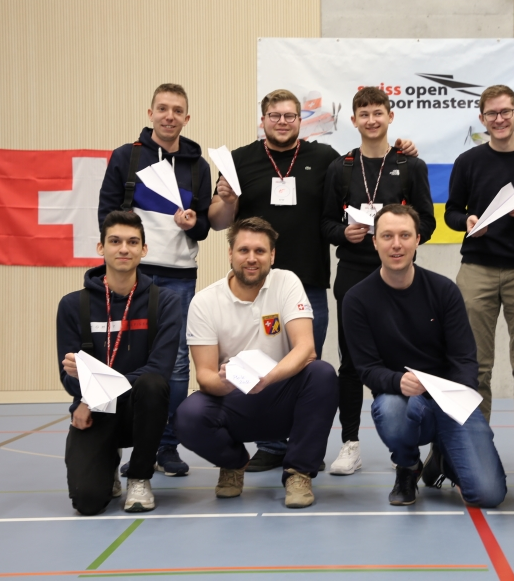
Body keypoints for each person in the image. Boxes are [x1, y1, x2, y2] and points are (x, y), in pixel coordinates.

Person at [208, 89, 416, 471]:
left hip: (309, 282)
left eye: (290, 115)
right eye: (274, 115)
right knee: (264, 362)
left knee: (307, 367)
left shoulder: (325, 159)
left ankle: (305, 449)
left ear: (300, 120)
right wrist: (228, 199)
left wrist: (401, 151)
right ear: (262, 120)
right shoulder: (238, 160)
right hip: (256, 286)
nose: (282, 122)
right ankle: (272, 445)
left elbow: (360, 178)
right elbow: (219, 221)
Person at [342, 204, 506, 507]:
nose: (396, 244)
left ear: (418, 239)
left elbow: (465, 358)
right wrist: (397, 381)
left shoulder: (444, 291)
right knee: (390, 409)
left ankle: (442, 458)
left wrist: (457, 399)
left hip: (449, 401)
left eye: (405, 235)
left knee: (488, 495)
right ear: (374, 241)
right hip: (400, 399)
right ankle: (407, 466)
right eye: (387, 236)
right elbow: (366, 368)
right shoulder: (357, 299)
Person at [174, 217, 338, 508]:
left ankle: (298, 473)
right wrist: (225, 383)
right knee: (188, 416)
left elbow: (306, 349)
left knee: (322, 374)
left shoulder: (287, 282)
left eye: (260, 251)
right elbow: (205, 376)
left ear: (272, 255)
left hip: (282, 394)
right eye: (244, 250)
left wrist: (269, 377)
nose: (251, 258)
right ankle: (234, 463)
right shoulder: (204, 302)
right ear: (230, 253)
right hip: (234, 399)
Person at [97, 83, 212, 477]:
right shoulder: (126, 157)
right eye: (162, 108)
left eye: (177, 110)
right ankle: (125, 444)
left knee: (177, 363)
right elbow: (106, 215)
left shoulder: (198, 166)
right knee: (127, 357)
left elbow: (205, 228)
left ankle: (166, 446)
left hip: (180, 277)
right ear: (150, 114)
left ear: (186, 118)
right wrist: (121, 257)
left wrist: (194, 222)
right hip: (132, 276)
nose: (169, 116)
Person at [321, 86, 435, 475]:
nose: (371, 120)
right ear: (354, 120)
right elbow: (325, 224)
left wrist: (399, 237)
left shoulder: (411, 165)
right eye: (364, 114)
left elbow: (428, 223)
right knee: (352, 363)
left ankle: (407, 445)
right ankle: (350, 443)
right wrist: (344, 233)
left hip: (401, 278)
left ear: (390, 116)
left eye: (378, 112)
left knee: (406, 360)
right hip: (353, 275)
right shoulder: (340, 168)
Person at [443, 85, 514, 478]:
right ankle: (475, 445)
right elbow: (452, 212)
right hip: (477, 269)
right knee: (475, 365)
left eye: (506, 112)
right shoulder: (468, 161)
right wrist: (467, 221)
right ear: (482, 118)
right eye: (492, 113)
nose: (499, 119)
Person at [57, 211, 181, 515]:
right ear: (101, 248)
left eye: (132, 242)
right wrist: (85, 394)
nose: (124, 248)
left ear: (144, 249)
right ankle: (106, 462)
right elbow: (69, 378)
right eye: (115, 241)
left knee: (153, 385)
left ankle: (139, 476)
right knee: (87, 502)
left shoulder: (165, 302)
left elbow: (159, 369)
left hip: (139, 410)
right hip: (95, 410)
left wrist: (93, 390)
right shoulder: (73, 305)